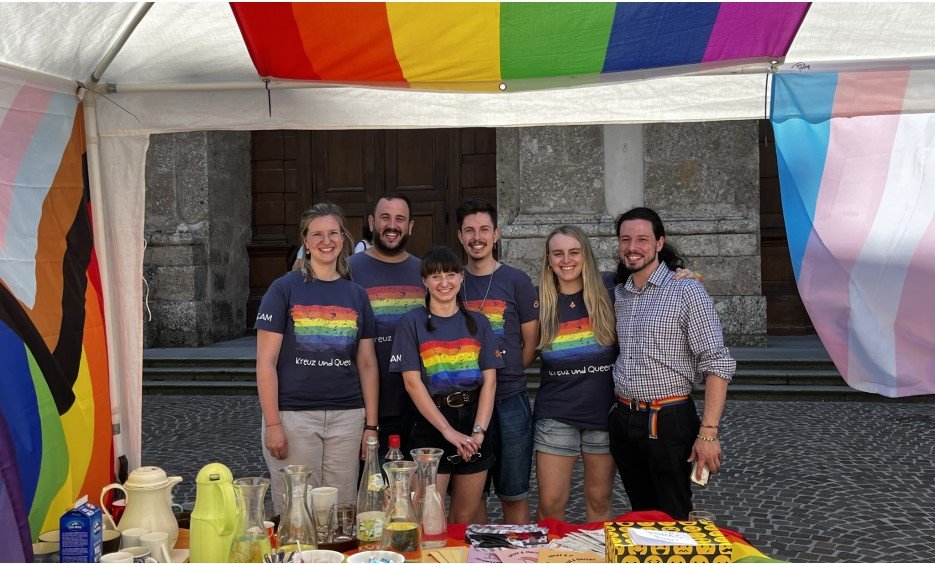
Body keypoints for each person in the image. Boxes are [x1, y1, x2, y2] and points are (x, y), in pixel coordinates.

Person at [609, 207, 735, 520]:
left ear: (659, 242)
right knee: (641, 513)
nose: (632, 247)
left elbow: (717, 363)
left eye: (642, 239)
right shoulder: (620, 293)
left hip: (668, 420)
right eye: (625, 239)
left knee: (674, 515)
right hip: (624, 419)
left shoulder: (687, 290)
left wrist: (708, 433)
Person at [255, 202, 380, 510]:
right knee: (298, 512)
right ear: (305, 241)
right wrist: (273, 424)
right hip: (294, 417)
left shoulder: (357, 295)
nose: (327, 241)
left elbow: (366, 364)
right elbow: (266, 363)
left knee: (342, 512)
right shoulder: (282, 289)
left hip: (347, 418)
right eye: (317, 234)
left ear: (343, 238)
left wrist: (371, 426)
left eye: (333, 233)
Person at [389, 246, 502, 523]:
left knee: (464, 517)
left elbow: (489, 382)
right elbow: (412, 383)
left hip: (474, 419)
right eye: (436, 276)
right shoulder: (411, 322)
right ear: (425, 281)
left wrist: (478, 433)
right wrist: (447, 431)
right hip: (431, 422)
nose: (444, 283)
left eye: (451, 274)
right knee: (430, 516)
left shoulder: (479, 322)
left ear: (461, 277)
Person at [455, 198, 538, 524]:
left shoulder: (517, 281)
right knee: (471, 495)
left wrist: (506, 372)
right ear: (460, 236)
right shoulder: (452, 282)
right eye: (469, 230)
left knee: (514, 493)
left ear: (496, 234)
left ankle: (518, 550)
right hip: (465, 403)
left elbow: (530, 343)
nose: (477, 237)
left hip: (509, 401)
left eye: (484, 229)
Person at [533, 225, 618, 523]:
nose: (566, 260)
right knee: (551, 504)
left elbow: (652, 274)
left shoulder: (611, 288)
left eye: (574, 252)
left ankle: (598, 549)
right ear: (548, 259)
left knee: (599, 500)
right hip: (556, 413)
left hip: (604, 413)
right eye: (558, 253)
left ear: (586, 255)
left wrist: (683, 273)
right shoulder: (537, 300)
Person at [348, 192, 423, 455]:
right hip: (362, 407)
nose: (392, 225)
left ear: (410, 226)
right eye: (385, 217)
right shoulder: (347, 270)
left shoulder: (425, 272)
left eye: (400, 219)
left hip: (417, 406)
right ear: (372, 222)